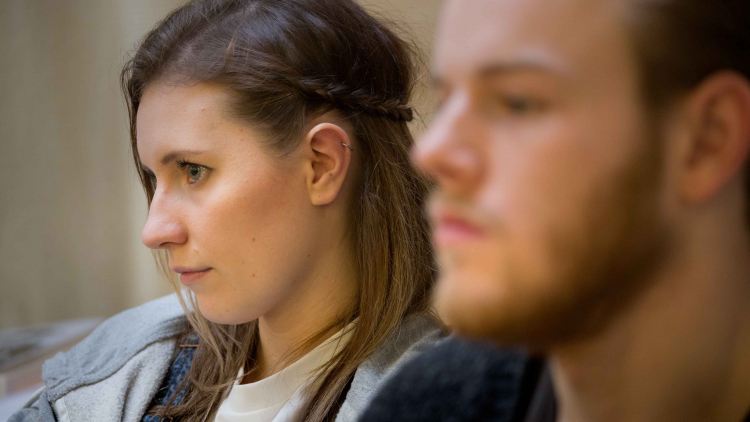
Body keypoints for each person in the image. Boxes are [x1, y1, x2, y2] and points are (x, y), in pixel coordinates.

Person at [10, 1, 441, 421]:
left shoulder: (452, 394)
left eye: (193, 171)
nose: (154, 231)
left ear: (321, 165)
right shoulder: (117, 368)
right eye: (154, 179)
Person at [358, 0, 750, 421]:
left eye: (516, 102)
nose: (432, 153)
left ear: (707, 139)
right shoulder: (424, 405)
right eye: (445, 100)